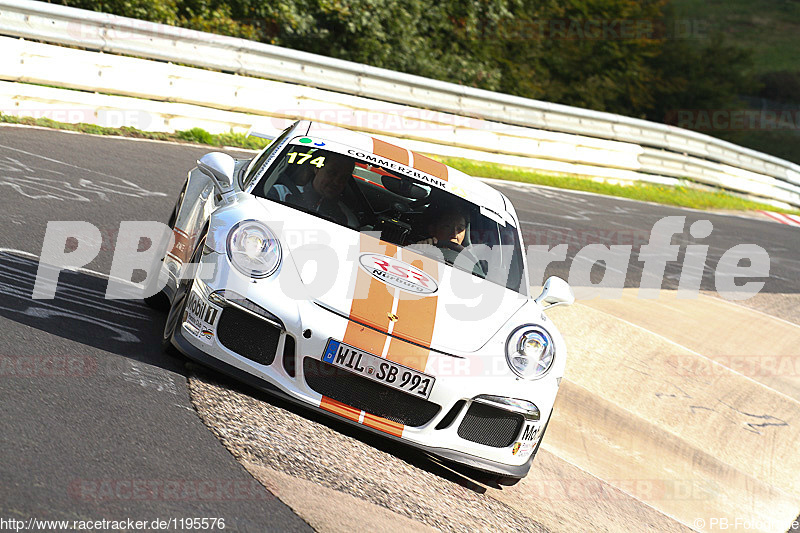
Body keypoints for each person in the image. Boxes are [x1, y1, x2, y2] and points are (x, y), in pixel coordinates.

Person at [271, 151, 358, 226]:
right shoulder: (279, 194)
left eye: (344, 177)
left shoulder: (346, 219)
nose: (337, 182)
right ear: (317, 168)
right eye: (332, 173)